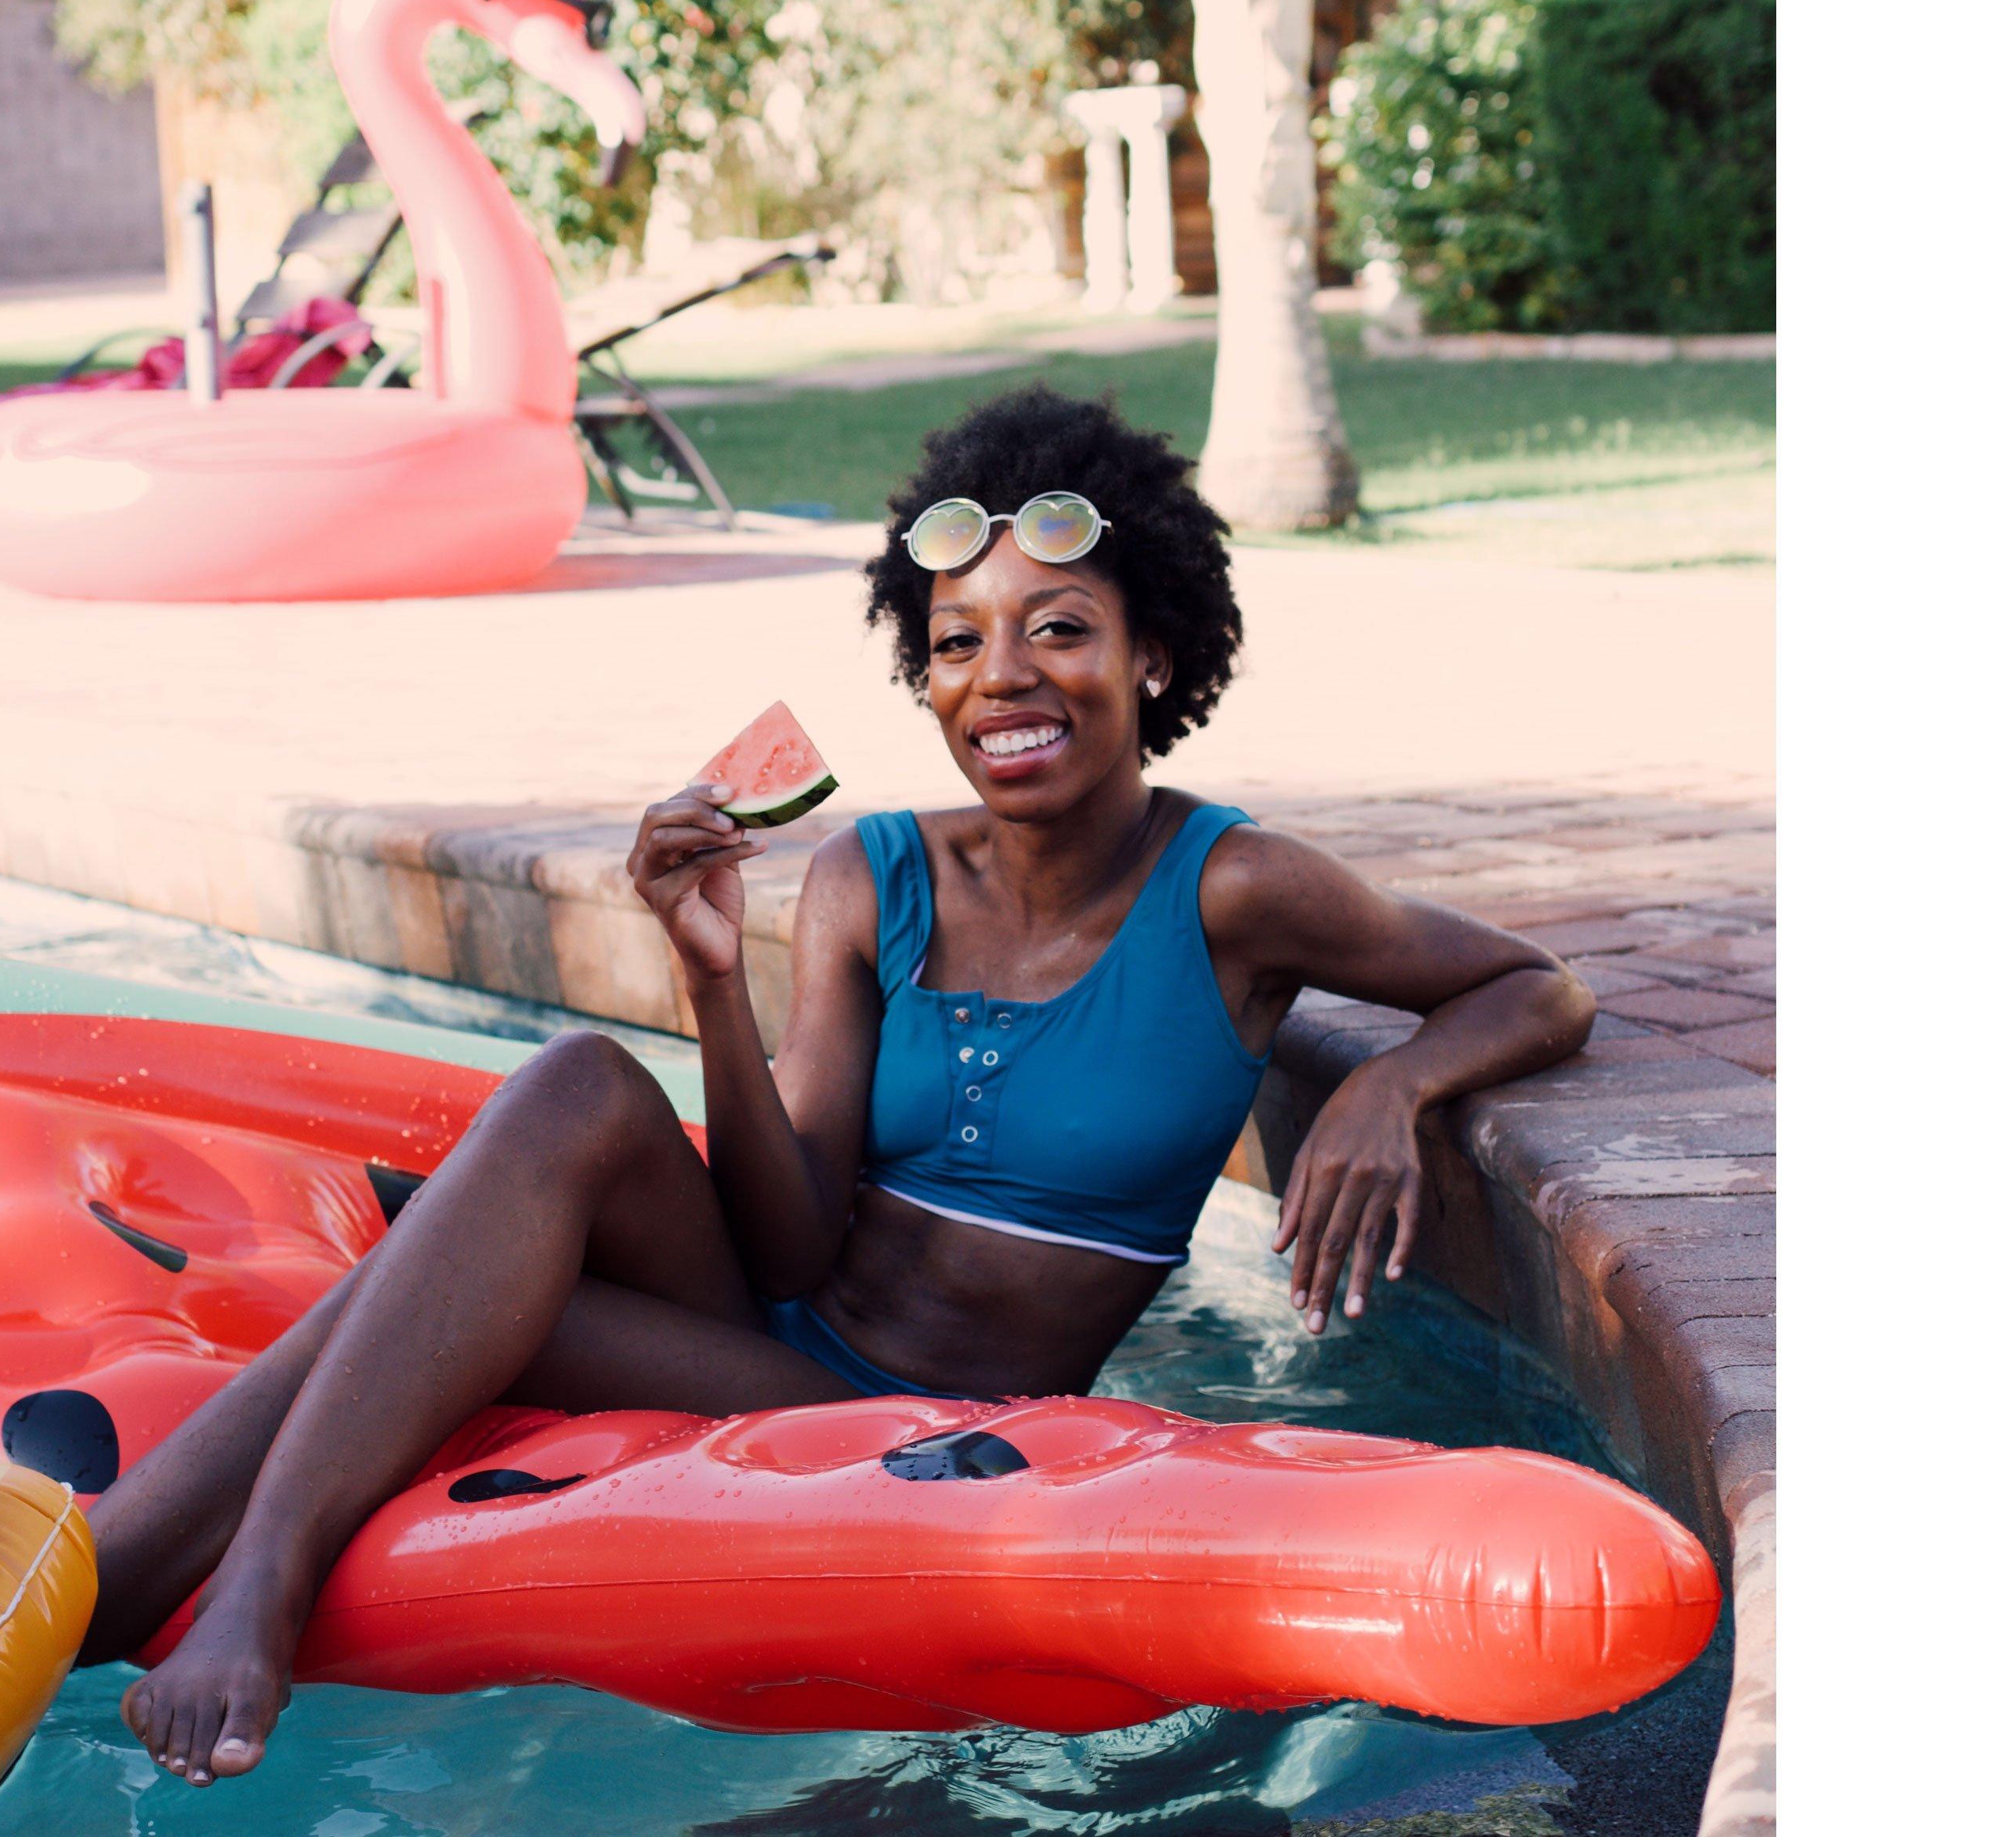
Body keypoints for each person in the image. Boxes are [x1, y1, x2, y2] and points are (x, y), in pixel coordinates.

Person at [95, 385, 1594, 1786]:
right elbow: (794, 1240)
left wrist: (1390, 1090)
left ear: (1154, 653)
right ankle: (188, 1583)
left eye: (1058, 627)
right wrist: (707, 978)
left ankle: (138, 1575)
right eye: (957, 643)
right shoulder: (870, 875)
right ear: (923, 677)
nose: (1003, 675)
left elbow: (1537, 986)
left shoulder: (1237, 891)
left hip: (926, 1424)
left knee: (454, 1291)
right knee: (572, 1085)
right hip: (783, 1337)